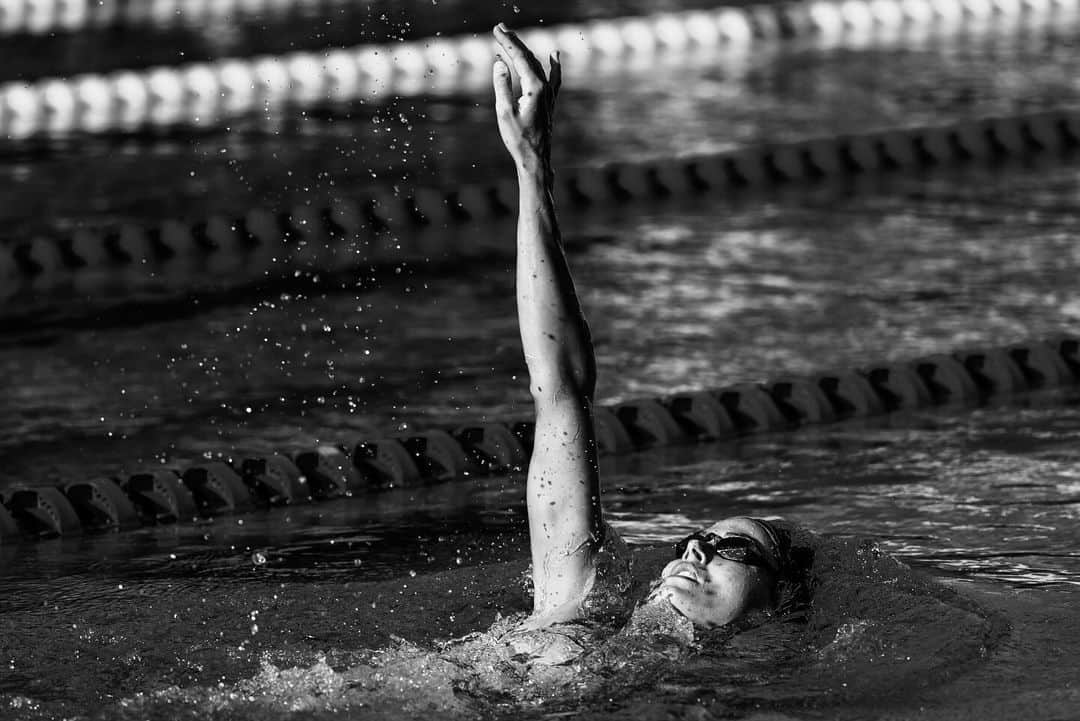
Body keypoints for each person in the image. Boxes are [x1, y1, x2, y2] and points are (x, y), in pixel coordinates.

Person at [490, 23, 809, 646]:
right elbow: (560, 389)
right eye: (700, 540)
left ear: (780, 603)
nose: (696, 549)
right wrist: (532, 169)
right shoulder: (573, 608)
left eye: (732, 547)